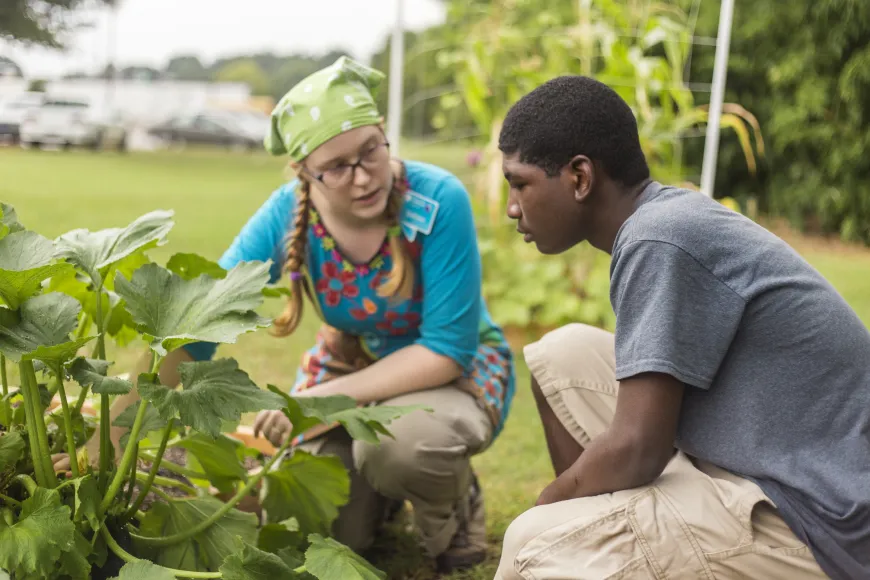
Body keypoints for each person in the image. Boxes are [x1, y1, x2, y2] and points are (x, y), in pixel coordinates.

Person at [62, 56, 516, 573]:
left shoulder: (438, 198)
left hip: (447, 378)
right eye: (338, 167)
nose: (365, 177)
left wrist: (311, 400)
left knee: (404, 452)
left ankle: (453, 504)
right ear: (304, 171)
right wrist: (110, 437)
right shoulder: (283, 215)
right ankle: (385, 494)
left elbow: (446, 351)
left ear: (384, 134)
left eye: (372, 151)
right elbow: (200, 317)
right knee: (335, 526)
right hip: (351, 369)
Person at [494, 75, 869, 580]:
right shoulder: (661, 220)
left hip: (815, 516)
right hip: (765, 457)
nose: (512, 208)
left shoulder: (660, 238)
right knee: (561, 353)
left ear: (580, 178)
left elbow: (638, 448)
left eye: (520, 184)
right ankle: (607, 532)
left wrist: (546, 510)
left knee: (532, 544)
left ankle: (588, 541)